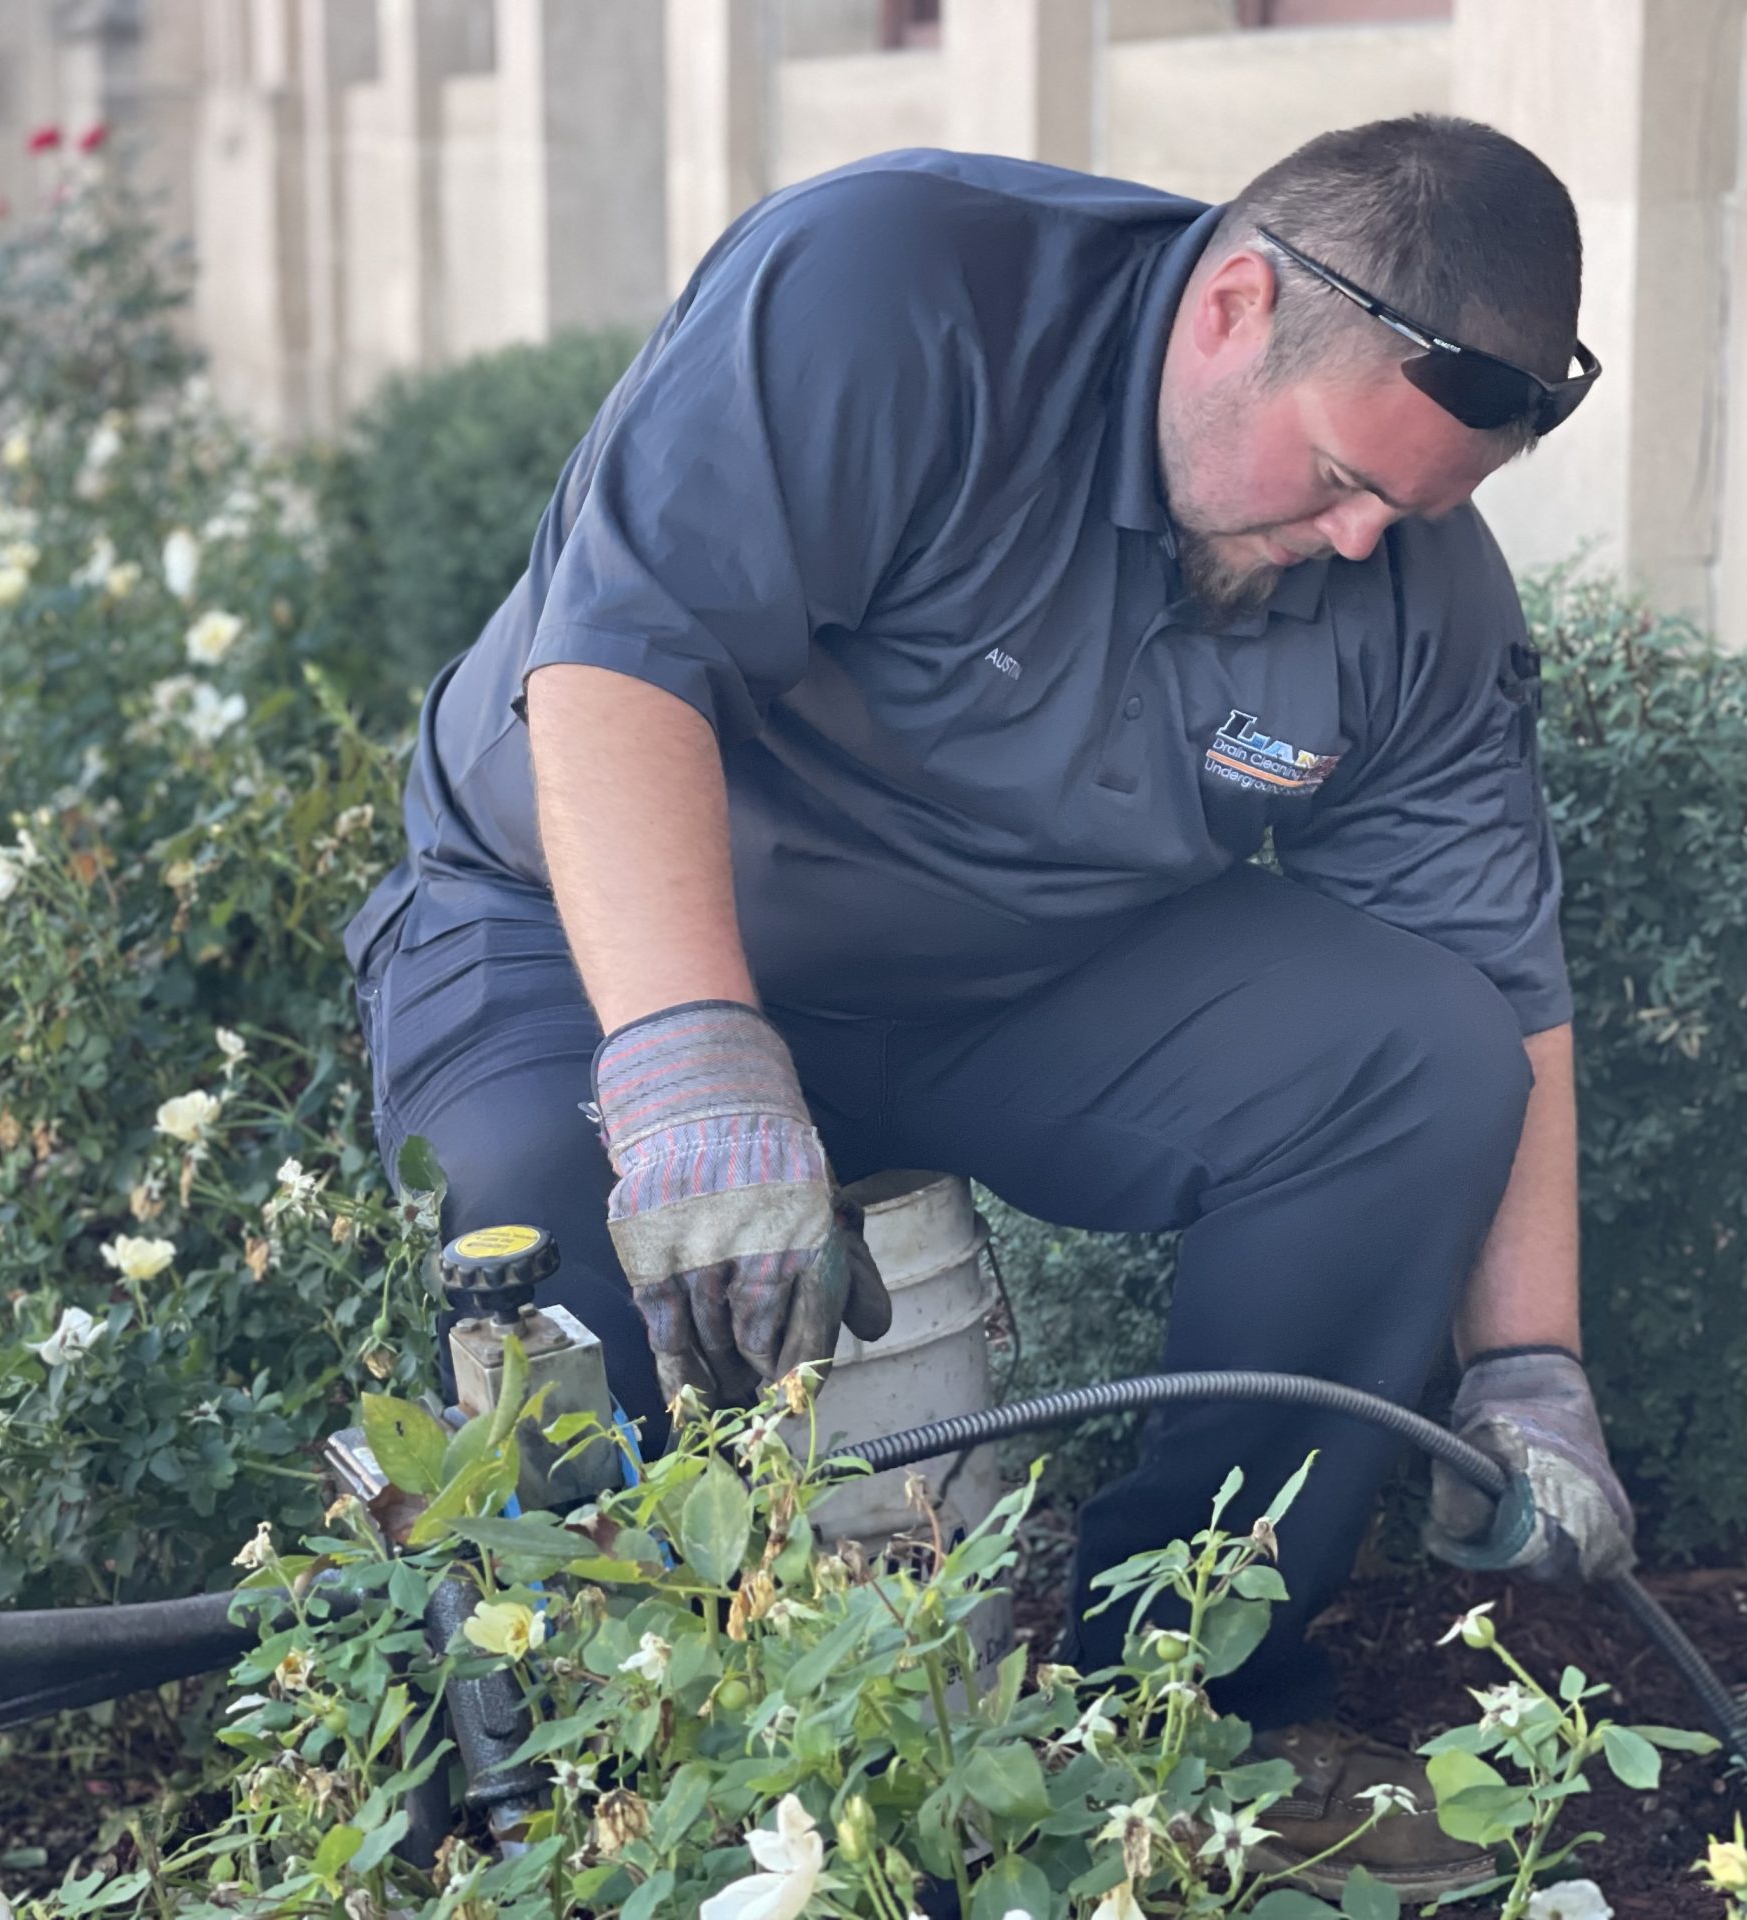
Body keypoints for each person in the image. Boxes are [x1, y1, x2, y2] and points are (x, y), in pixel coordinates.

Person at [343, 115, 1632, 1896]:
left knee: (1418, 1062)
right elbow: (621, 666)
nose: (1359, 542)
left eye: (1413, 511)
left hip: (1005, 983)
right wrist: (691, 1061)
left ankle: (1184, 1708)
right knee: (532, 1208)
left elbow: (1501, 977)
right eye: (1343, 476)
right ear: (1235, 304)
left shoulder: (1409, 584)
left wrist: (1530, 1371)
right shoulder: (894, 295)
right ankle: (587, 1784)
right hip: (580, 933)